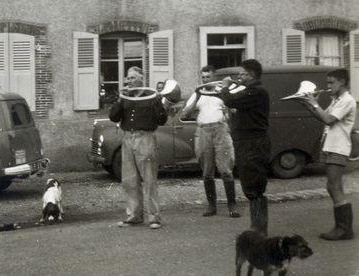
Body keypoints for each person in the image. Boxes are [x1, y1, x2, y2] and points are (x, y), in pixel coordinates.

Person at [297, 68, 356, 240]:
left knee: (333, 186)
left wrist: (314, 104)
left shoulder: (347, 100)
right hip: (332, 146)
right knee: (333, 186)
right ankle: (342, 227)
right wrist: (308, 105)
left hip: (339, 147)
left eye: (331, 83)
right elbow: (322, 117)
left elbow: (329, 119)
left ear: (342, 82)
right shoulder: (337, 100)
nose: (328, 86)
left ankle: (344, 229)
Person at [109, 66, 168, 229]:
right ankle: (134, 215)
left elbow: (162, 119)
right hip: (128, 138)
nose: (129, 81)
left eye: (133, 78)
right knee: (129, 180)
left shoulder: (151, 97)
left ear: (142, 78)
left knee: (149, 179)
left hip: (145, 138)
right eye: (128, 78)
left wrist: (157, 101)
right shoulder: (126, 97)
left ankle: (154, 217)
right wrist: (120, 100)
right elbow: (113, 117)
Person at [216, 59, 270, 235]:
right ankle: (257, 227)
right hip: (246, 142)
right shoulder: (250, 92)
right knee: (249, 183)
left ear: (252, 75)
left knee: (254, 185)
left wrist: (225, 87)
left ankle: (259, 229)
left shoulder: (256, 91)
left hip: (253, 143)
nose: (239, 76)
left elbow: (230, 100)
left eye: (243, 74)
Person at [181, 65, 240, 218]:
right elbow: (185, 114)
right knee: (207, 172)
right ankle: (211, 206)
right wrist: (197, 96)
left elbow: (234, 109)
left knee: (226, 170)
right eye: (204, 77)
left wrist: (224, 99)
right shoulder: (198, 93)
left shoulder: (222, 91)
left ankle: (232, 206)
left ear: (214, 77)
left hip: (220, 130)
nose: (206, 79)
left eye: (208, 77)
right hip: (203, 131)